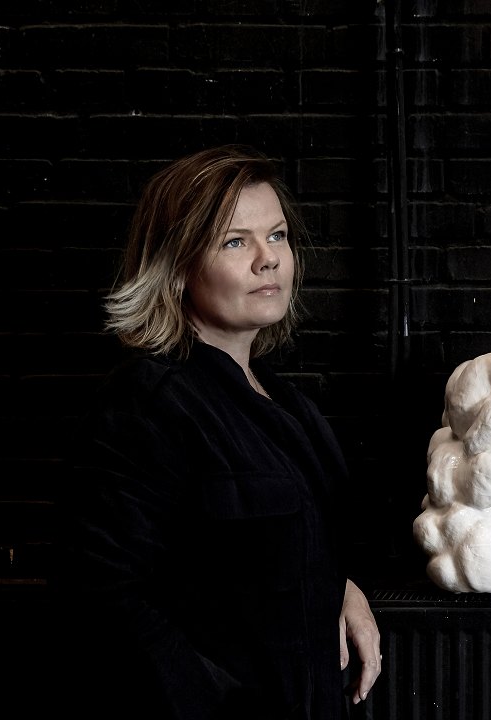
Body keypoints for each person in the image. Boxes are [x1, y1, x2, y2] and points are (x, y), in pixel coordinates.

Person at [63, 145, 381, 719]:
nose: (268, 259)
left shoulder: (289, 407)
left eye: (277, 236)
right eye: (235, 242)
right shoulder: (148, 403)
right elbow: (103, 598)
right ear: (177, 265)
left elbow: (264, 552)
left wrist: (338, 587)